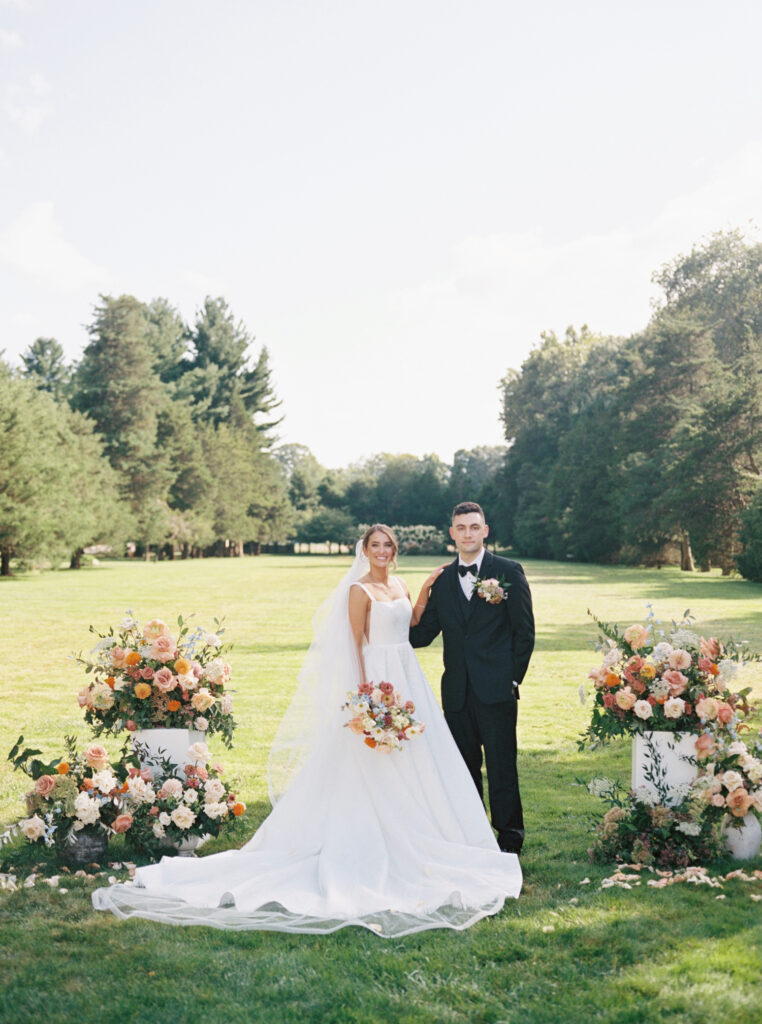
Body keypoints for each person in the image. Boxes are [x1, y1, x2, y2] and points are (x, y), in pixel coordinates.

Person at [91, 524, 521, 936]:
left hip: (407, 677)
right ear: (365, 550)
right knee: (369, 763)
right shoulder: (357, 590)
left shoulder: (404, 586)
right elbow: (355, 642)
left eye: (388, 546)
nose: (383, 552)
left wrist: (425, 591)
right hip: (376, 682)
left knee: (420, 760)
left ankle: (428, 833)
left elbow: (411, 626)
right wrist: (367, 698)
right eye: (376, 546)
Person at [410, 502, 535, 854]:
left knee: (501, 768)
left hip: (497, 690)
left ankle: (510, 839)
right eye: (461, 527)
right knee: (462, 770)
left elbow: (524, 632)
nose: (467, 533)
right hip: (457, 693)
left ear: (485, 530)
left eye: (473, 527)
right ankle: (472, 836)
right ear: (452, 534)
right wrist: (385, 620)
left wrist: (512, 680)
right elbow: (422, 635)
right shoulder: (444, 581)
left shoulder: (508, 571)